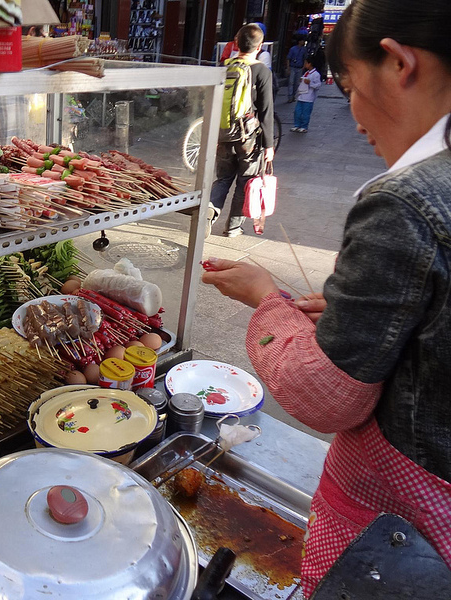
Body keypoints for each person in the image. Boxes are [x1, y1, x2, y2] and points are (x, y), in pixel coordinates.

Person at [201, 0, 451, 595]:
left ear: (397, 63)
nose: (357, 120)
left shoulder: (407, 201)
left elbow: (325, 395)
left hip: (400, 540)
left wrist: (267, 299)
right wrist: (363, 325)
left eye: (349, 87)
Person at [208, 23, 274, 238]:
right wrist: (269, 145)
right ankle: (233, 227)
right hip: (249, 138)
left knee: (223, 178)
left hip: (224, 133)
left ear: (236, 44)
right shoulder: (262, 71)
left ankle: (210, 210)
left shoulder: (225, 67)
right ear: (260, 46)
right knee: (245, 182)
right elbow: (266, 111)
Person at [291, 55, 321, 132]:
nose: (304, 64)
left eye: (306, 63)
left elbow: (318, 85)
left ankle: (304, 126)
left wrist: (310, 83)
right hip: (301, 96)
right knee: (297, 112)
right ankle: (297, 125)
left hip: (309, 97)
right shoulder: (306, 73)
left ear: (309, 63)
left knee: (305, 113)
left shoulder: (316, 74)